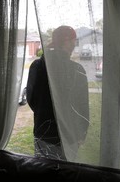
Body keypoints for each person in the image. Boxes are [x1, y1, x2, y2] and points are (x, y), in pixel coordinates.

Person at [26, 25, 89, 161]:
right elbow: (82, 105)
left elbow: (31, 99)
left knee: (44, 170)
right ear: (66, 42)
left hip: (42, 132)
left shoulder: (37, 66)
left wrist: (44, 113)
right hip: (69, 135)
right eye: (73, 41)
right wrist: (82, 132)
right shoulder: (76, 70)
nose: (74, 45)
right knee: (66, 172)